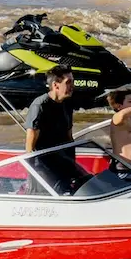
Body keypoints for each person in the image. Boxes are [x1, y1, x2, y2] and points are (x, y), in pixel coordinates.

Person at [24, 65, 85, 195]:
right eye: (68, 82)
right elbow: (30, 147)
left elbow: (69, 136)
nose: (72, 86)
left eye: (72, 81)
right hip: (43, 164)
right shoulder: (40, 106)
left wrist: (72, 164)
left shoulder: (68, 103)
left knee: (87, 182)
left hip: (63, 160)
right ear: (56, 85)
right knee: (55, 191)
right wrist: (32, 175)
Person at [105, 88, 131, 169]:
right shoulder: (116, 118)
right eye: (130, 102)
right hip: (123, 169)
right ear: (118, 106)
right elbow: (122, 115)